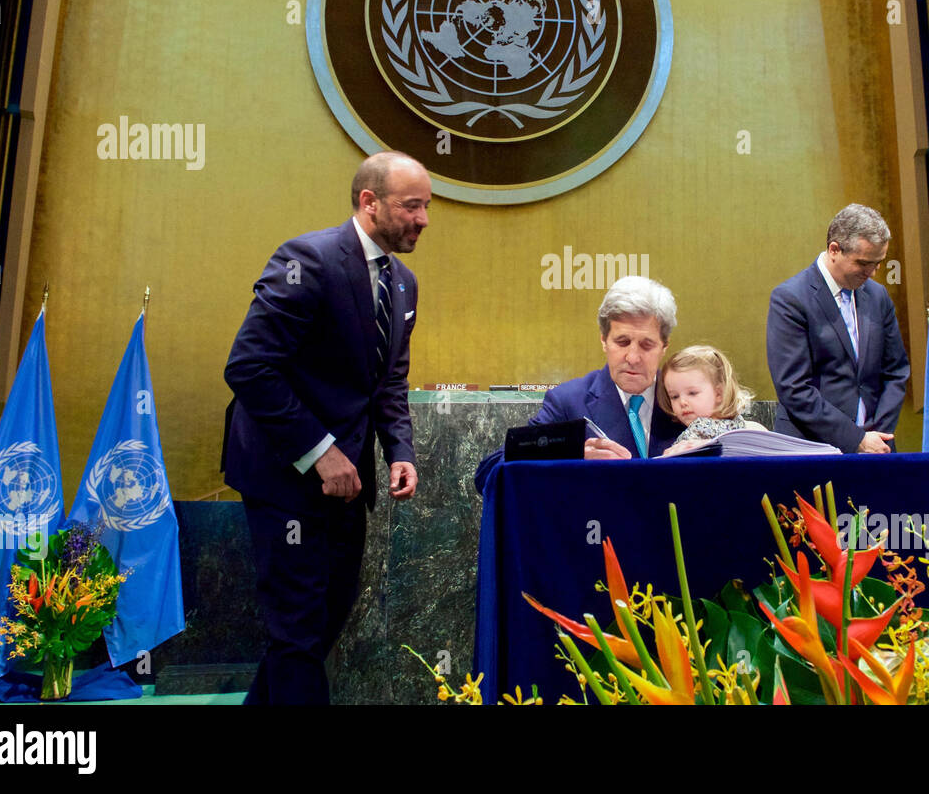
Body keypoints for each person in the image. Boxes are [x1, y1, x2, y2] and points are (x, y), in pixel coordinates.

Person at [222, 151, 431, 704]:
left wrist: (400, 450)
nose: (424, 219)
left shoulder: (404, 283)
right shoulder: (306, 260)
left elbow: (387, 382)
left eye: (426, 207)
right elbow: (249, 367)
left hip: (349, 484)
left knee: (319, 624)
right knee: (297, 628)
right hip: (283, 474)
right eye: (412, 206)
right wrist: (320, 451)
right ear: (369, 202)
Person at [472, 275, 684, 491]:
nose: (633, 357)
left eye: (646, 345)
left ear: (664, 346)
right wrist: (570, 458)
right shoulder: (568, 401)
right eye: (622, 342)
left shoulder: (689, 397)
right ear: (604, 340)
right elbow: (489, 473)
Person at [767, 203, 910, 454]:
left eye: (879, 263)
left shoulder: (878, 296)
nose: (874, 272)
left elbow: (896, 372)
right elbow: (794, 388)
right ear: (834, 249)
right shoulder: (790, 299)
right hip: (811, 449)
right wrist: (856, 439)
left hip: (877, 450)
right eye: (864, 263)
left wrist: (877, 436)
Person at [656, 345, 765, 456]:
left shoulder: (697, 431)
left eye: (692, 393)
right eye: (674, 396)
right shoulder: (748, 427)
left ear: (719, 393)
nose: (682, 402)